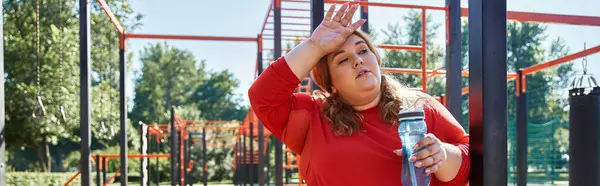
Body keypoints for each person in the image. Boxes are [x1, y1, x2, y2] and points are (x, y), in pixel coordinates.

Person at [248, 3, 469, 186]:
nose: (357, 60)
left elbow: (470, 159)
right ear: (331, 84)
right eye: (343, 59)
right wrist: (315, 46)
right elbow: (263, 97)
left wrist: (443, 155)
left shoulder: (419, 106)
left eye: (363, 50)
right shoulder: (312, 115)